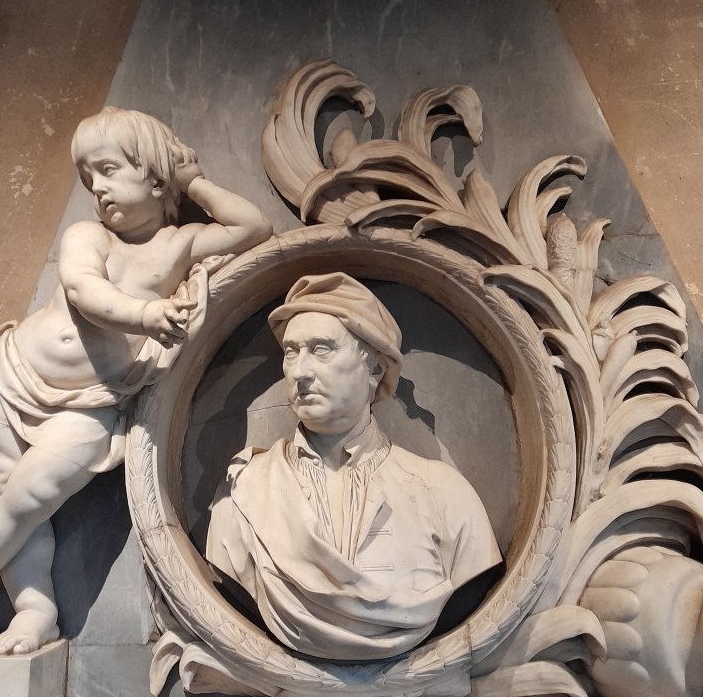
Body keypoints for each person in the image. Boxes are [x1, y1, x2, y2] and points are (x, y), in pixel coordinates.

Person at [0, 107, 272, 659]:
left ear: (155, 177)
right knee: (14, 502)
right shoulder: (89, 237)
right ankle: (33, 610)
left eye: (107, 170)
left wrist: (192, 181)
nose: (97, 189)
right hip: (14, 377)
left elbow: (254, 227)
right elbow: (84, 291)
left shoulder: (180, 245)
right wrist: (146, 313)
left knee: (32, 496)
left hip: (92, 402)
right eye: (88, 178)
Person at [206, 273, 502, 660]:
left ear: (375, 369)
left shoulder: (444, 495)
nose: (300, 372)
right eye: (291, 352)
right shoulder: (243, 494)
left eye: (321, 349)